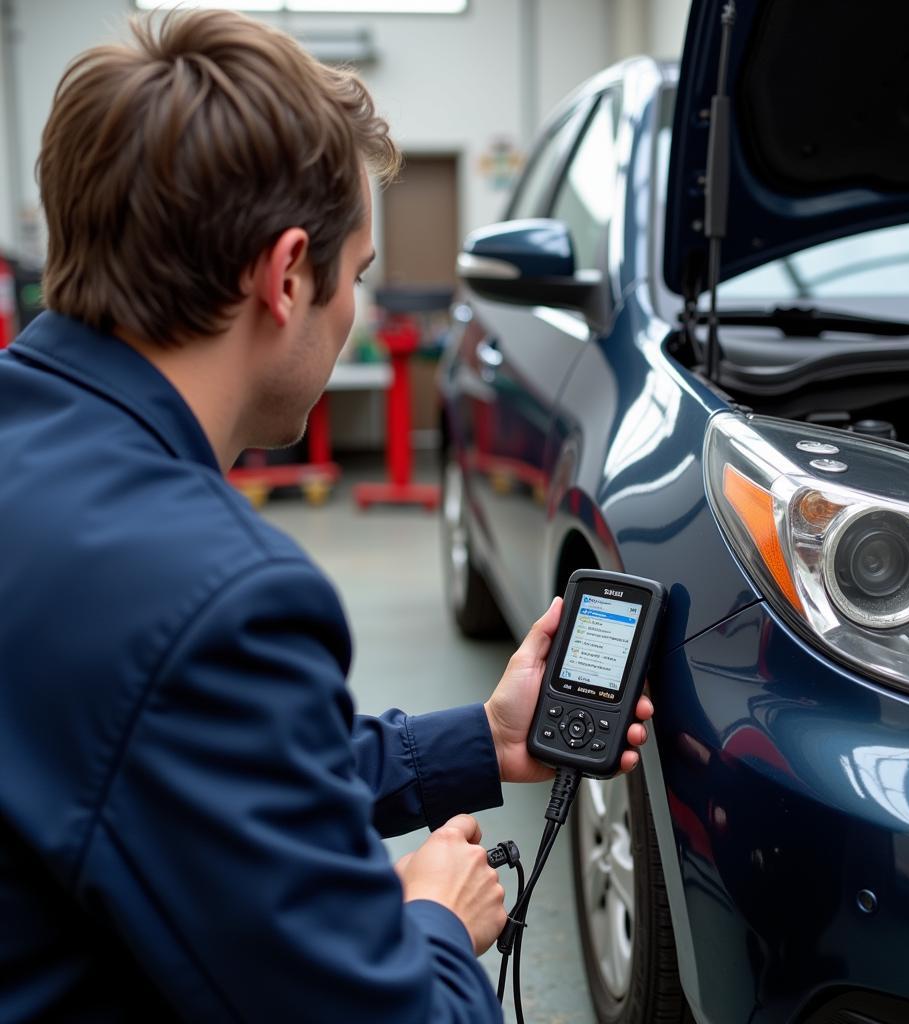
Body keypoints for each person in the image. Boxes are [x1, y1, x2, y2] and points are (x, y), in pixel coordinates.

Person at [0, 9, 655, 1023]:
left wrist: (481, 739)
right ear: (287, 274)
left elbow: (193, 764)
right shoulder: (208, 597)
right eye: (355, 277)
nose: (353, 305)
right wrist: (432, 919)